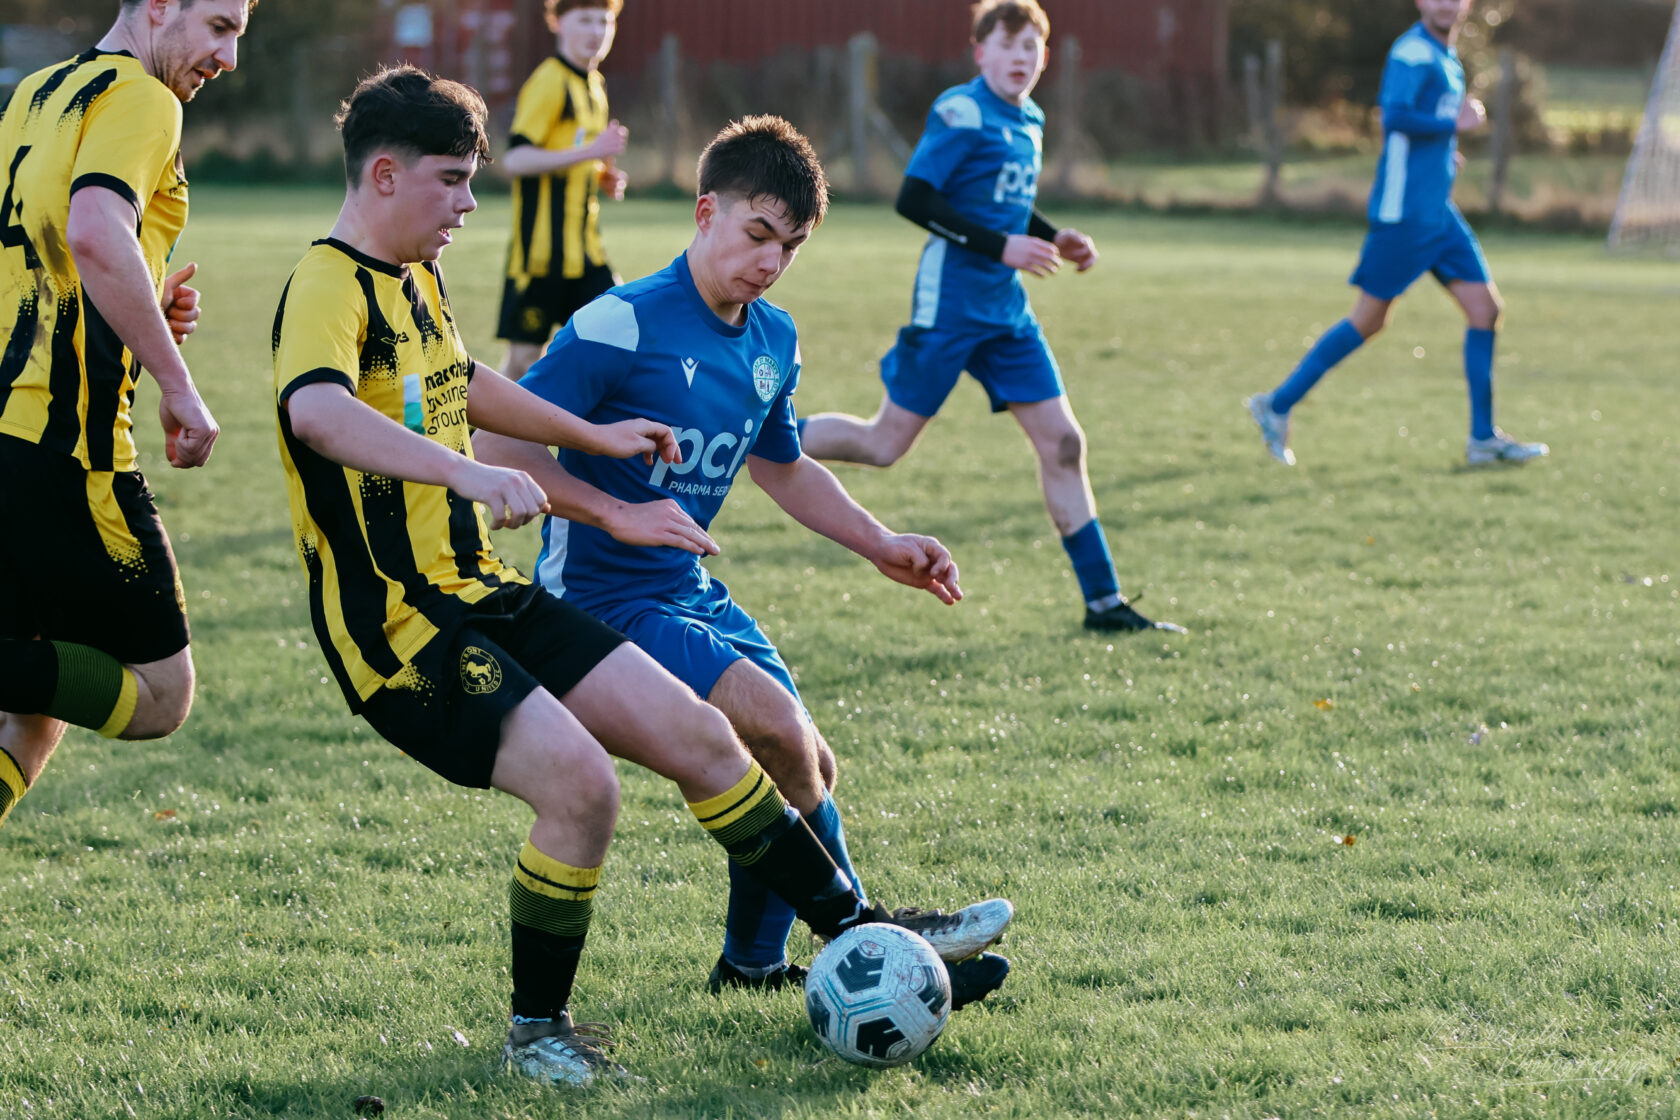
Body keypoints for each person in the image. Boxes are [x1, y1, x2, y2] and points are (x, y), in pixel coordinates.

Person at [274, 66, 1013, 1088]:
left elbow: (468, 383)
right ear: (388, 175)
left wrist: (592, 442)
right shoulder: (327, 281)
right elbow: (315, 411)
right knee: (584, 787)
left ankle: (863, 940)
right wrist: (475, 470)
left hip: (483, 586)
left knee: (716, 741)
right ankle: (539, 1034)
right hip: (399, 621)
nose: (469, 202)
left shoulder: (414, 281)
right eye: (454, 181)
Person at [477, 115, 1015, 1009]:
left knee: (810, 768)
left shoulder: (773, 339)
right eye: (756, 234)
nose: (768, 262)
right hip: (597, 601)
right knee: (775, 729)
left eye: (790, 246)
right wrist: (614, 508)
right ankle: (876, 938)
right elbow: (496, 443)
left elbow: (784, 465)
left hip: (687, 594)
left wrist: (882, 544)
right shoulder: (620, 322)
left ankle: (753, 968)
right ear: (704, 213)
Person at [796, 0, 1181, 635]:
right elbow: (915, 198)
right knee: (882, 444)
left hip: (1006, 310)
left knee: (1064, 443)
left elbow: (1004, 207)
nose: (1020, 58)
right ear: (981, 54)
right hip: (949, 302)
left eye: (1031, 48)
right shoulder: (961, 110)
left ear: (1045, 59)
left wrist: (1055, 237)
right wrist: (1003, 247)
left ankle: (1104, 604)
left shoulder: (1029, 117)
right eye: (1007, 46)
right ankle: (760, 432)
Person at [0, 0, 255, 829]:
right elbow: (96, 234)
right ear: (155, 8)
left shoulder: (34, 92)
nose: (229, 56)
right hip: (64, 447)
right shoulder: (147, 99)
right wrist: (178, 383)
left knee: (31, 711)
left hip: (5, 426)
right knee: (159, 695)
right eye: (218, 26)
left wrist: (139, 311)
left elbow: (48, 255)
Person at [1244, 0, 1548, 467]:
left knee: (1485, 310)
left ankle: (1483, 439)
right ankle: (1276, 404)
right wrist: (1455, 124)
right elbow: (1394, 118)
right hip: (1404, 213)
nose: (1446, 4)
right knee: (1368, 319)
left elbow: (1420, 133)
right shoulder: (1411, 52)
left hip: (1437, 214)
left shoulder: (1445, 56)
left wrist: (1445, 152)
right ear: (1422, 2)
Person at [495, 0, 629, 383]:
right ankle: (472, 441)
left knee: (620, 330)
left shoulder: (595, 85)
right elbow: (516, 159)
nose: (596, 31)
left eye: (604, 21)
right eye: (584, 20)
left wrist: (602, 174)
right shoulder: (549, 81)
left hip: (585, 251)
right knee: (522, 363)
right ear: (558, 24)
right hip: (540, 253)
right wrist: (591, 152)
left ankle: (594, 433)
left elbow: (574, 156)